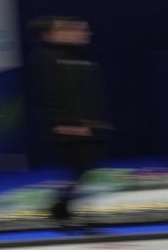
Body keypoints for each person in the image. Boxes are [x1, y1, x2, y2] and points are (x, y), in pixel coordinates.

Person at [27, 17, 111, 225]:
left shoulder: (80, 56)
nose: (82, 34)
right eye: (70, 29)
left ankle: (61, 208)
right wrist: (66, 124)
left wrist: (94, 120)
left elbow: (87, 93)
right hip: (65, 127)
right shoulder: (45, 58)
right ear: (51, 34)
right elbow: (52, 95)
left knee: (85, 167)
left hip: (82, 126)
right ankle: (59, 209)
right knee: (81, 167)